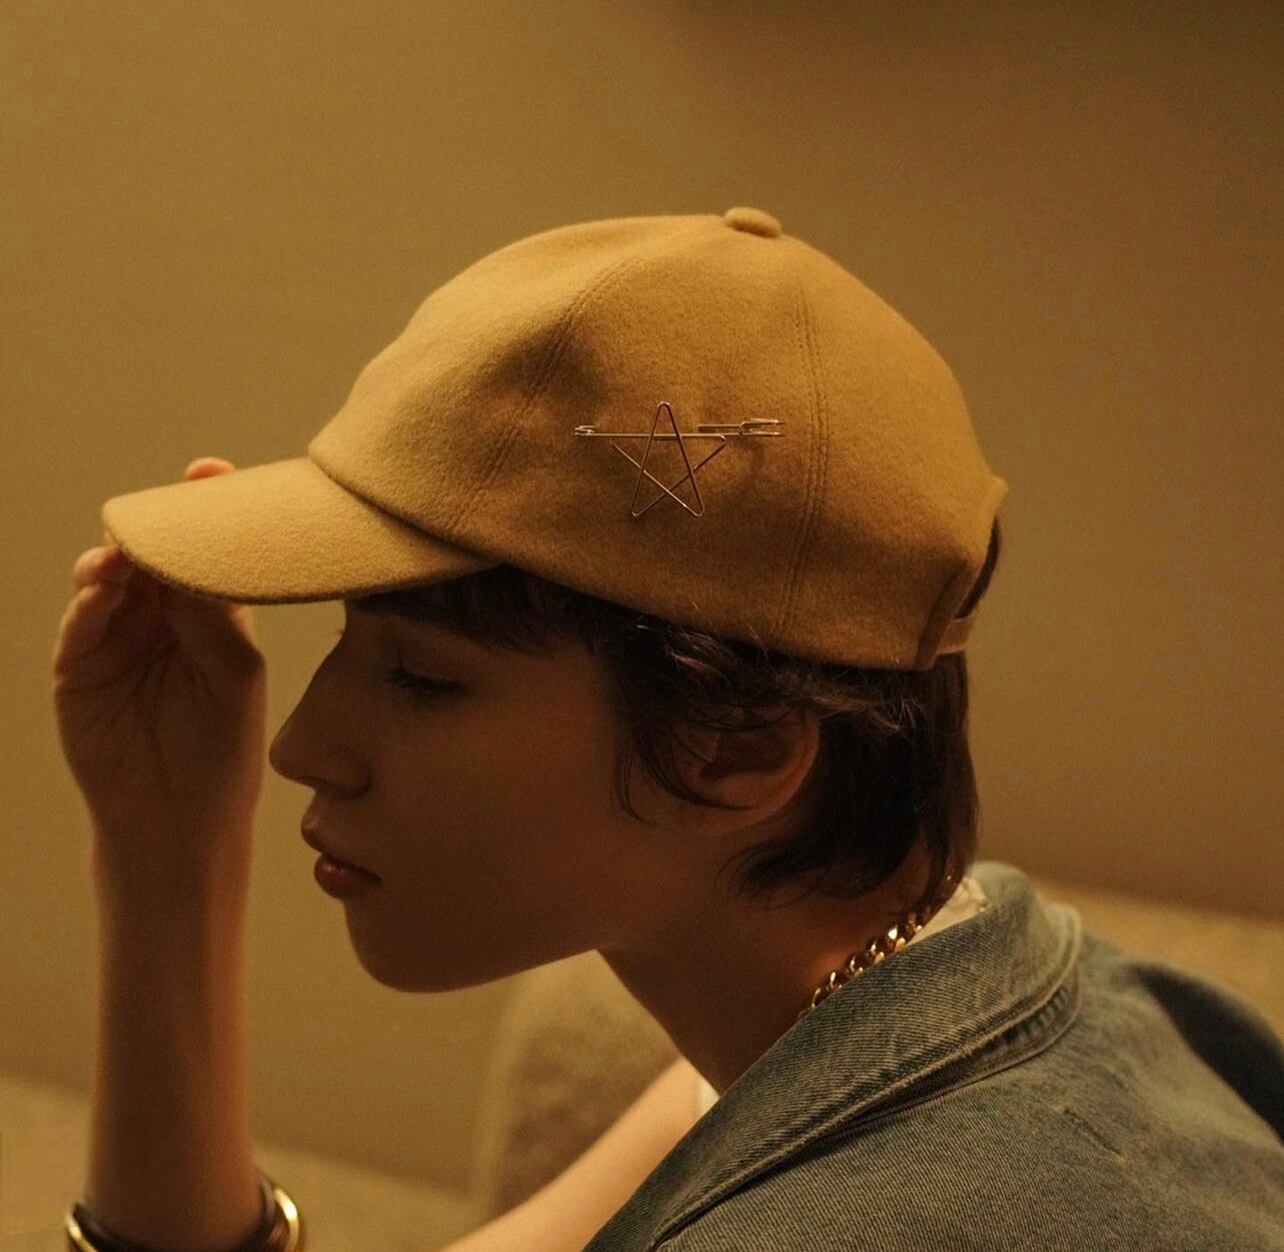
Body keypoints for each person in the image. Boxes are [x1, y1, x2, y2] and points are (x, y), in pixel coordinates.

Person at [51, 208, 1283, 1252]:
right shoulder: (919, 1002)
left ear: (739, 746)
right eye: (347, 645)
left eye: (422, 679)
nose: (301, 745)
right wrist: (168, 856)